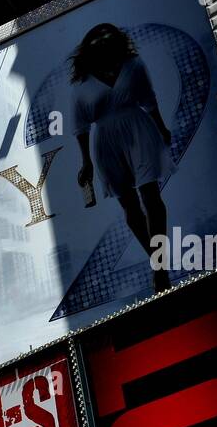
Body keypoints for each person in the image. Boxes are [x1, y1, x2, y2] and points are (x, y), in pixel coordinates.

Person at [71, 23, 174, 292]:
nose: (104, 43)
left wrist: (161, 127)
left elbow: (148, 100)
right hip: (105, 142)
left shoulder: (134, 65)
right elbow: (80, 127)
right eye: (98, 41)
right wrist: (86, 162)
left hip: (139, 131)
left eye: (109, 39)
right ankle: (156, 259)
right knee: (129, 205)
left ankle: (160, 268)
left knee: (151, 196)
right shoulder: (81, 85)